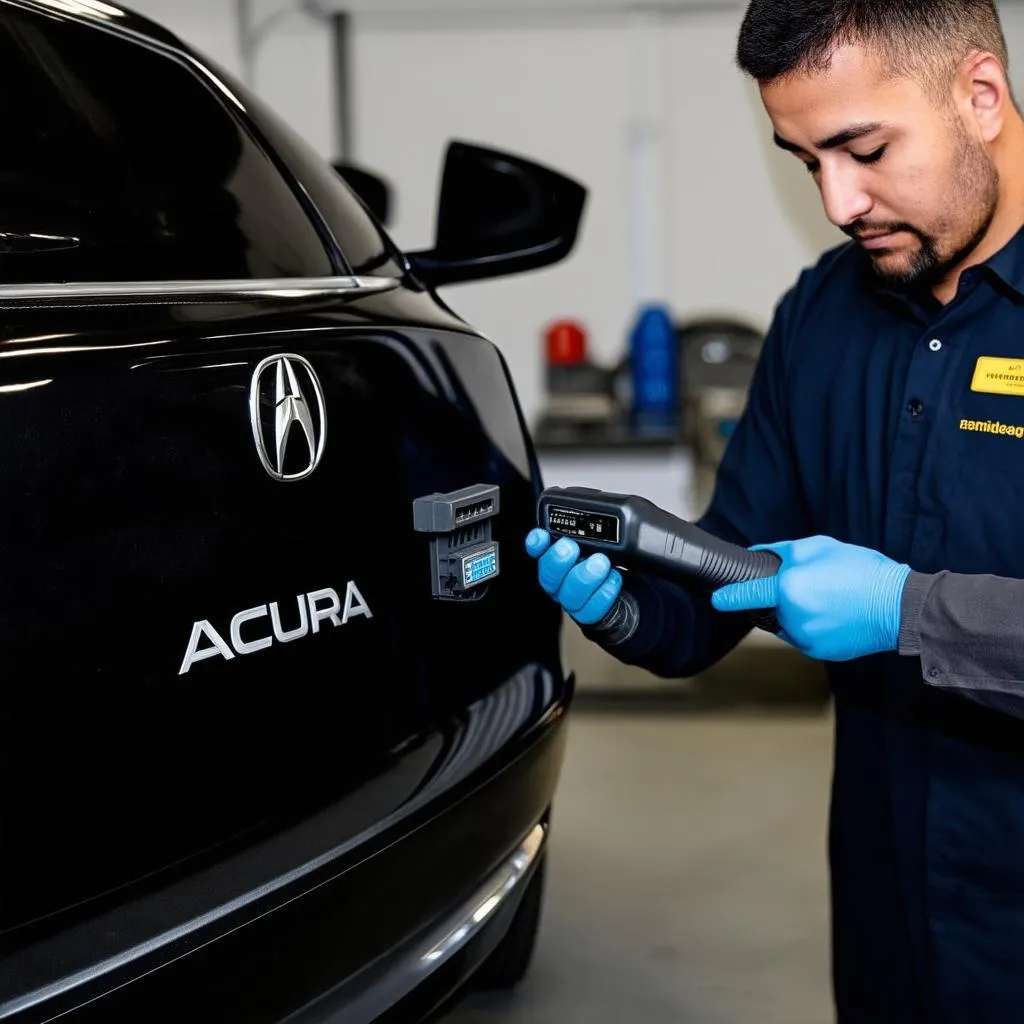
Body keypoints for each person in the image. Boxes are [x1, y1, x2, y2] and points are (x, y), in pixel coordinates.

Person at [526, 1, 1024, 1020]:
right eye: (806, 162)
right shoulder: (821, 315)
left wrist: (906, 612)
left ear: (980, 97)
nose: (840, 201)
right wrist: (625, 604)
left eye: (863, 148)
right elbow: (731, 573)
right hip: (892, 916)